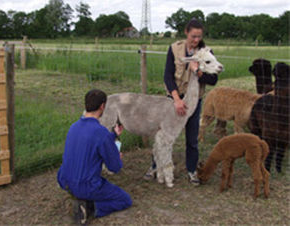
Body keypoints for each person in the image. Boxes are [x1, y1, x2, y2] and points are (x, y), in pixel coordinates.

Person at [144, 18, 219, 186]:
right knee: (162, 135)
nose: (196, 40)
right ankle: (155, 166)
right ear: (186, 32)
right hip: (173, 100)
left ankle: (192, 170)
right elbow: (167, 75)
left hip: (193, 101)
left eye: (199, 36)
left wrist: (197, 71)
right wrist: (176, 99)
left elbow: (213, 80)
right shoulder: (174, 49)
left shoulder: (206, 52)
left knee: (192, 138)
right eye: (193, 36)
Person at [57, 89, 132, 225]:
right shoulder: (100, 132)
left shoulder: (74, 127)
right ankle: (89, 208)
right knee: (124, 200)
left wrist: (113, 135)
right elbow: (114, 168)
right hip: (86, 186)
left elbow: (91, 140)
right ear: (102, 106)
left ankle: (78, 200)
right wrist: (117, 157)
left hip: (64, 180)